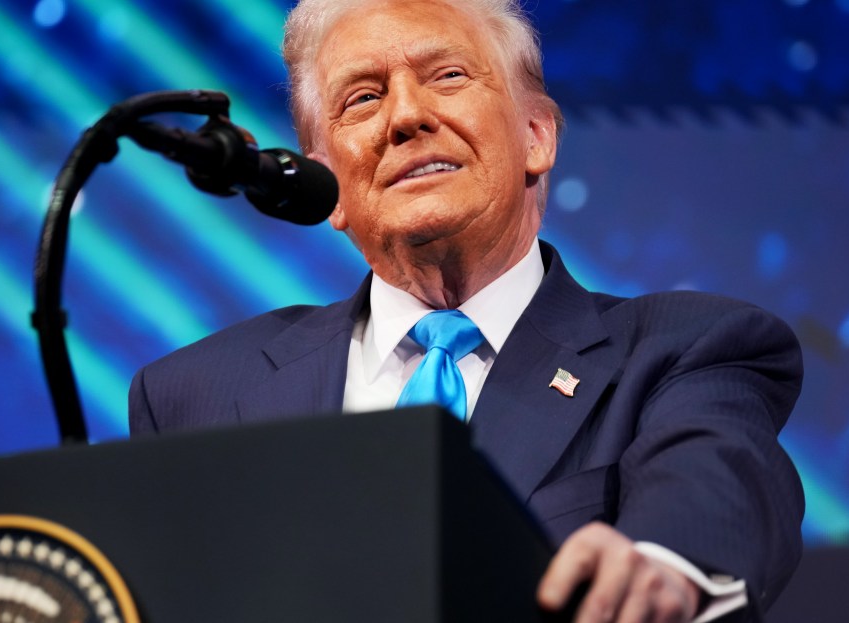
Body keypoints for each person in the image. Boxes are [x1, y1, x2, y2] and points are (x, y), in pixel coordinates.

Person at [129, 0, 804, 621]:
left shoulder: (678, 350)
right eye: (363, 98)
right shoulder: (192, 396)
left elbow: (717, 478)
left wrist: (665, 565)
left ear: (536, 136)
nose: (405, 116)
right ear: (325, 184)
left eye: (447, 76)